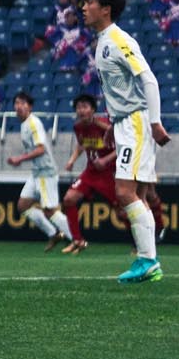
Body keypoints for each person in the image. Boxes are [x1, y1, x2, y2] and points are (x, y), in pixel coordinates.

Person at [79, 0, 171, 283]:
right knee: (138, 195)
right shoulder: (102, 42)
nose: (83, 7)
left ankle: (148, 260)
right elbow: (120, 90)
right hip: (124, 122)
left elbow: (149, 79)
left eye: (89, 2)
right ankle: (148, 263)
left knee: (124, 192)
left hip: (136, 123)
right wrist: (113, 123)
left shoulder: (119, 39)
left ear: (105, 9)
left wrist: (155, 122)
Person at [7, 92, 74, 251]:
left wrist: (20, 159)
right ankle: (54, 234)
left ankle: (76, 239)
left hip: (46, 172)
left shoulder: (33, 123)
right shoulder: (24, 124)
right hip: (36, 173)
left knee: (50, 211)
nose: (19, 106)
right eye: (17, 103)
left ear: (30, 107)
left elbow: (41, 149)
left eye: (23, 103)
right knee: (23, 206)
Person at [60, 95, 119, 254]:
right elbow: (81, 144)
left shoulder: (105, 126)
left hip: (110, 172)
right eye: (79, 107)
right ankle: (77, 241)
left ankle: (138, 244)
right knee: (68, 199)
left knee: (121, 210)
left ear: (93, 109)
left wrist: (105, 160)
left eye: (85, 106)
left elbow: (123, 146)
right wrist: (72, 160)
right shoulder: (78, 127)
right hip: (91, 172)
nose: (81, 110)